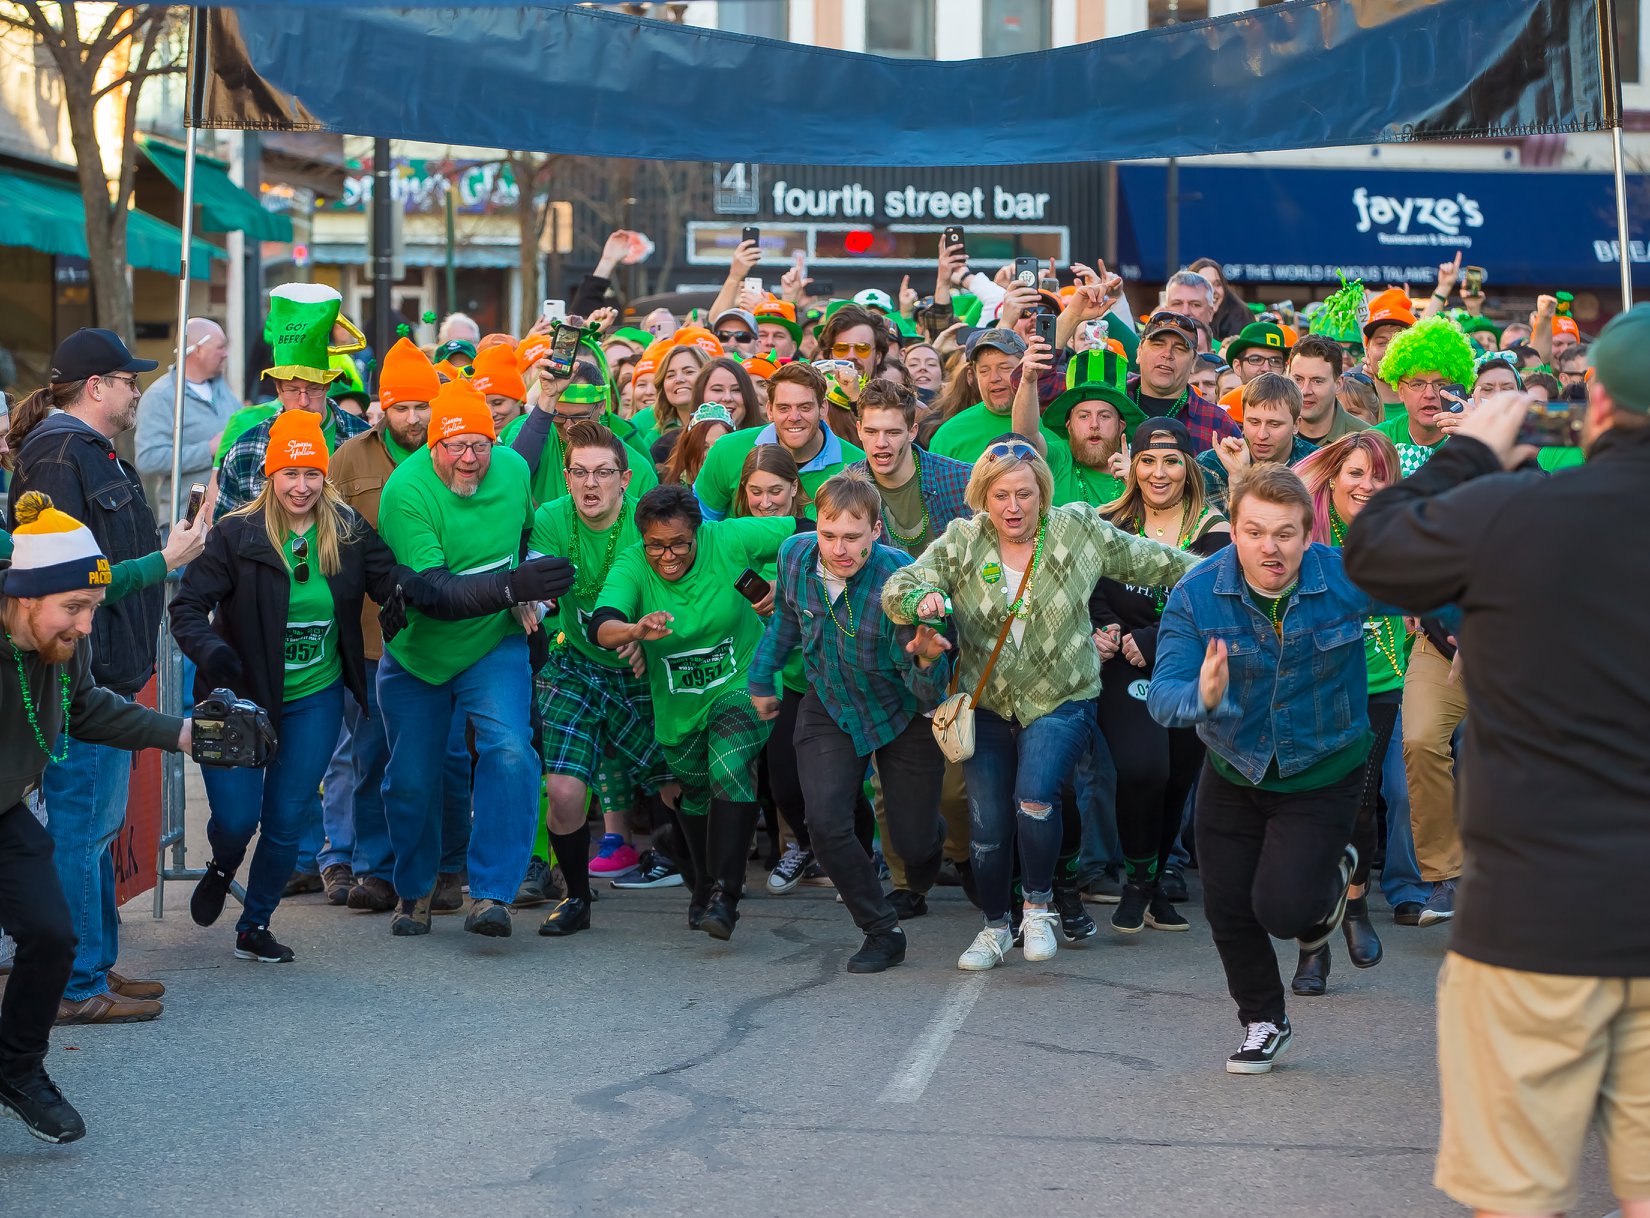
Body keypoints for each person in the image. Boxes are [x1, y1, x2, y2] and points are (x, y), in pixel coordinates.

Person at [1344, 310, 1650, 1218]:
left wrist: (1468, 454)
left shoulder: (1510, 512)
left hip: (1535, 920)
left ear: (1592, 401)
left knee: (1516, 1199)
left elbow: (1375, 551)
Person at [884, 439, 1201, 972]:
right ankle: (993, 926)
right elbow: (898, 588)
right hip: (985, 704)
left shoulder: (1077, 528)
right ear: (983, 497)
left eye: (1025, 494)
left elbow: (1161, 563)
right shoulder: (962, 540)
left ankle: (1038, 907)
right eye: (1001, 495)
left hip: (1062, 698)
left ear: (1042, 493)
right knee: (987, 824)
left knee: (1035, 797)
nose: (1013, 507)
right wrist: (924, 600)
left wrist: (1233, 573)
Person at [1147, 464, 1384, 1075]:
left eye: (1285, 533)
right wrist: (1200, 696)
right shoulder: (1198, 592)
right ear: (1233, 531)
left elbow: (1438, 586)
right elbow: (1162, 694)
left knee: (1283, 910)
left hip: (1323, 766)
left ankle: (1331, 879)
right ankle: (1263, 1020)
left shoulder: (1343, 575)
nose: (1269, 548)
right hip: (1235, 767)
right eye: (1254, 532)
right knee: (1227, 907)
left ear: (1309, 533)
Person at [170, 411, 426, 962]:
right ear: (270, 475)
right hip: (236, 699)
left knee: (286, 822)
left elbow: (392, 581)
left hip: (315, 696)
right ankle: (222, 864)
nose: (301, 486)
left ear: (324, 476)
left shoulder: (349, 531)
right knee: (238, 820)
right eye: (290, 474)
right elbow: (187, 605)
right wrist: (214, 653)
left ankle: (254, 924)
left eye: (312, 473)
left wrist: (408, 602)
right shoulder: (237, 533)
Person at [6, 328, 204, 1025]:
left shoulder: (81, 452)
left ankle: (93, 960)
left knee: (96, 826)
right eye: (128, 381)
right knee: (81, 825)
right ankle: (77, 982)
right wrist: (167, 559)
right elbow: (62, 583)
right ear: (96, 387)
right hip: (83, 672)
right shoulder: (60, 456)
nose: (137, 392)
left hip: (109, 667)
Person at [0, 496, 196, 1145]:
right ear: (25, 597)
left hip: (5, 808)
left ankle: (18, 1069)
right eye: (74, 609)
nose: (86, 626)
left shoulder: (62, 646)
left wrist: (187, 734)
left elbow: (87, 709)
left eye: (92, 609)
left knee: (54, 935)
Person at [375, 379, 574, 938]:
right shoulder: (407, 492)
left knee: (511, 751)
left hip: (494, 642)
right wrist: (514, 586)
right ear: (433, 445)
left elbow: (529, 535)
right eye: (456, 446)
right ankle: (414, 888)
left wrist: (533, 592)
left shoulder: (511, 470)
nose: (470, 459)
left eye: (480, 445)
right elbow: (435, 592)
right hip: (420, 652)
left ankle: (492, 894)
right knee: (411, 780)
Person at [750, 473, 951, 973]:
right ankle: (881, 930)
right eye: (829, 534)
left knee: (912, 841)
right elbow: (786, 623)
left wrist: (927, 660)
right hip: (831, 702)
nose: (838, 549)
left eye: (852, 537)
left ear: (876, 531)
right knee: (824, 821)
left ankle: (927, 852)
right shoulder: (795, 555)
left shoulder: (901, 578)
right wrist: (760, 679)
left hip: (902, 709)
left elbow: (927, 690)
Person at [590, 485, 803, 940]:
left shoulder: (729, 539)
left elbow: (807, 532)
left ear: (697, 533)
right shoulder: (632, 563)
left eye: (679, 543)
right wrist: (634, 628)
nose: (667, 555)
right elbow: (601, 624)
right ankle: (704, 880)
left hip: (743, 684)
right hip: (679, 708)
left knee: (730, 765)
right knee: (696, 792)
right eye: (656, 545)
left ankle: (726, 895)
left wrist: (783, 586)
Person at [327, 353, 473, 914]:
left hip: (448, 638)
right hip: (370, 638)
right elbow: (329, 539)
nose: (413, 418)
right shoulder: (348, 459)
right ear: (381, 407)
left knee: (450, 761)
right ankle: (376, 870)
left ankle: (447, 870)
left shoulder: (459, 455)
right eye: (402, 406)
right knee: (374, 756)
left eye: (422, 406)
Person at [525, 421, 673, 935]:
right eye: (580, 473)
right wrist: (531, 607)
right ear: (566, 477)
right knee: (564, 793)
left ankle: (708, 886)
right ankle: (578, 898)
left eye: (603, 473)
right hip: (575, 666)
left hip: (642, 665)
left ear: (625, 478)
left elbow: (667, 589)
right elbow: (544, 590)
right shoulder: (550, 518)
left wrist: (639, 634)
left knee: (676, 786)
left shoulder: (644, 522)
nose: (591, 485)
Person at [1287, 431, 1416, 995]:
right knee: (1314, 815)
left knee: (1361, 807)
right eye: (1356, 473)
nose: (1366, 486)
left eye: (1378, 476)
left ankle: (1356, 906)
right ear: (1334, 477)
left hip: (1381, 681)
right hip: (1315, 687)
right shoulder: (1309, 533)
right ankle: (1313, 945)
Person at [1091, 418, 1229, 933]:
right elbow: (1092, 586)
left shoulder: (1214, 530)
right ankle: (1136, 880)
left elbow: (1209, 602)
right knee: (1143, 768)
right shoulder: (1110, 523)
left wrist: (1148, 640)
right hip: (1121, 669)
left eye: (1171, 460)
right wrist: (1104, 627)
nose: (1158, 472)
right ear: (1134, 466)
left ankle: (1151, 887)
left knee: (1175, 780)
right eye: (1147, 460)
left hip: (1186, 666)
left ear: (1189, 466)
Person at [217, 285, 372, 514]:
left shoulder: (362, 439)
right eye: (292, 389)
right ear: (278, 388)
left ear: (327, 385)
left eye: (313, 389)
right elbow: (224, 533)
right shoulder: (246, 448)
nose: (303, 401)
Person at [693, 362, 865, 521]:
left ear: (822, 408)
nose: (794, 417)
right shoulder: (727, 450)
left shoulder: (857, 465)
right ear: (769, 410)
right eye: (784, 408)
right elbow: (700, 526)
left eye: (805, 407)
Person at [510, 336, 658, 504]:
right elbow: (513, 474)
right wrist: (547, 401)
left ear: (601, 406)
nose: (568, 427)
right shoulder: (533, 433)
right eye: (559, 416)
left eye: (579, 417)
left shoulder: (637, 467)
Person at [135, 317, 240, 516]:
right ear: (198, 350)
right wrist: (208, 449)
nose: (226, 354)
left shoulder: (222, 388)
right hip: (186, 519)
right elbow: (148, 459)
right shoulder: (161, 396)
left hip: (228, 517)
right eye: (220, 347)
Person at [1124, 311, 1242, 453]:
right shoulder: (1111, 405)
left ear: (1193, 362)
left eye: (1179, 348)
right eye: (1158, 344)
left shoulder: (1219, 423)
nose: (1167, 354)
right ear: (1139, 352)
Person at [1197, 373, 1318, 509]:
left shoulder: (1318, 464)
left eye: (1274, 424)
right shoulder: (1211, 463)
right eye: (1254, 422)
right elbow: (1223, 529)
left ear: (1296, 425)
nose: (1262, 435)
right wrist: (1237, 477)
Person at [1289, 334, 1367, 445]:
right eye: (1298, 379)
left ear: (1338, 384)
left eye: (1317, 381)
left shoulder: (1366, 439)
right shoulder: (1269, 432)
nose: (1305, 391)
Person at [1360, 288, 1417, 421]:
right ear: (1367, 352)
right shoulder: (1352, 408)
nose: (1390, 350)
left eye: (1399, 341)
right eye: (1382, 342)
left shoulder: (1433, 407)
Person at [1217, 321, 1292, 418]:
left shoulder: (1295, 409)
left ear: (1284, 368)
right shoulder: (1226, 408)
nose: (1266, 368)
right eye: (1256, 359)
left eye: (1275, 361)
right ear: (1238, 366)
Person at [660, 404, 735, 488]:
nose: (711, 453)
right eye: (704, 447)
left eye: (719, 447)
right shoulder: (666, 490)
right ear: (689, 450)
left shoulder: (745, 490)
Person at [470, 342, 528, 435]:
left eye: (498, 403)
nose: (491, 414)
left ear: (520, 400)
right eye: (482, 405)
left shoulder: (547, 432)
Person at [688, 357, 762, 429]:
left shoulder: (770, 439)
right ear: (700, 394)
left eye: (736, 390)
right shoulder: (681, 440)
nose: (727, 398)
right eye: (717, 390)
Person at [1188, 257, 1249, 341]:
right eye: (1205, 284)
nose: (1213, 290)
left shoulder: (1240, 315)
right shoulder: (1183, 314)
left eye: (1217, 284)